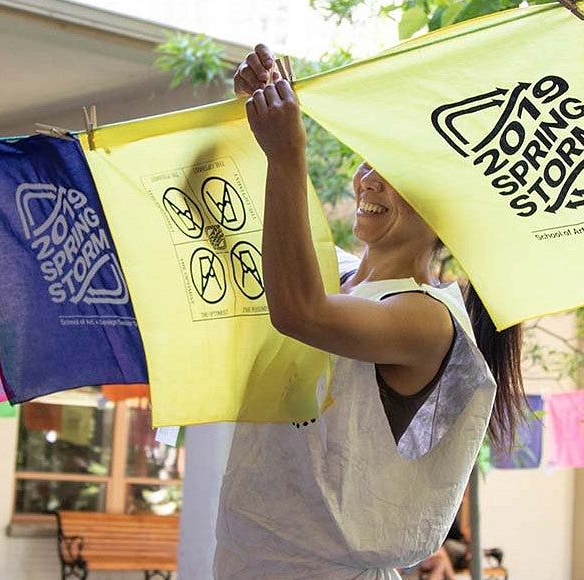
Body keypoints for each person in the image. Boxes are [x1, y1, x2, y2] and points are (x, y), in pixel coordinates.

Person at [214, 44, 525, 579]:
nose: (370, 180)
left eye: (398, 173)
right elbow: (247, 231)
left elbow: (299, 312)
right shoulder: (336, 275)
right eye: (370, 161)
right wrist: (261, 111)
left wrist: (287, 155)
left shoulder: (427, 317)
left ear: (447, 209)